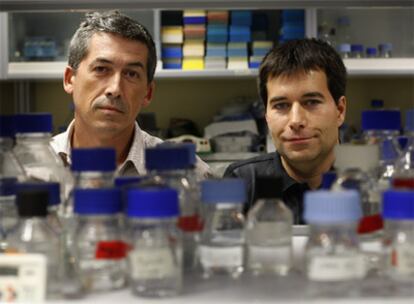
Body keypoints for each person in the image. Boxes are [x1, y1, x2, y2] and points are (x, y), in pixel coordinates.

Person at [51, 11, 210, 179]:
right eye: (101, 69)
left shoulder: (188, 174)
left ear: (148, 93)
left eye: (131, 74)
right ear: (70, 80)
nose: (115, 89)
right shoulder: (32, 168)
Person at [224, 38, 347, 224]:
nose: (296, 120)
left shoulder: (369, 186)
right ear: (266, 115)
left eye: (311, 102)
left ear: (340, 111)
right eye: (281, 105)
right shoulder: (242, 181)